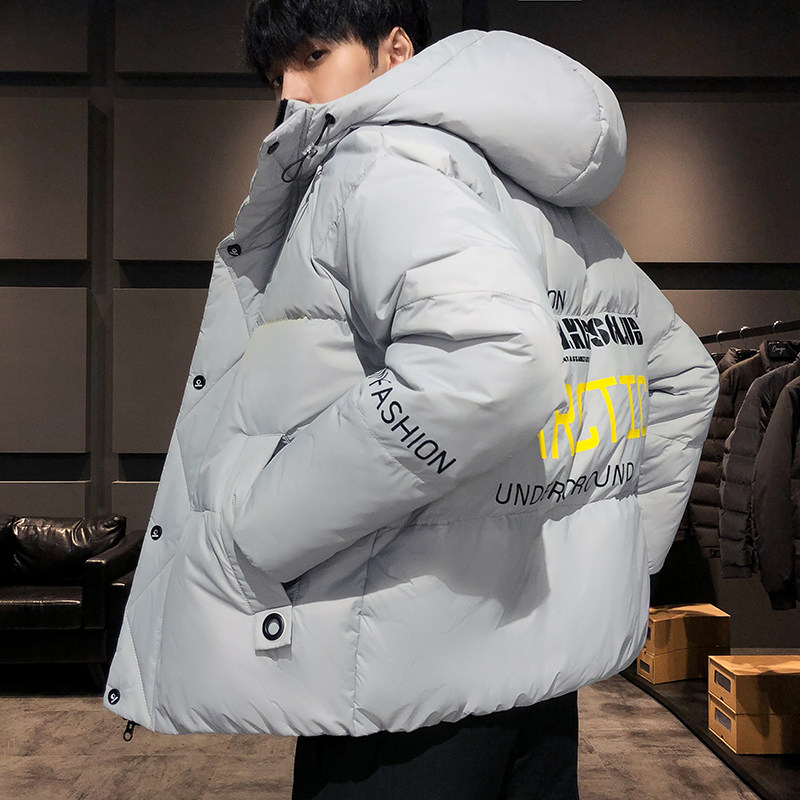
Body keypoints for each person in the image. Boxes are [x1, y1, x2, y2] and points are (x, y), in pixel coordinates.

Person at [103, 1, 720, 798]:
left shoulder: (380, 164)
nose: (290, 92)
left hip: (401, 689)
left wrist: (267, 528)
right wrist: (609, 556)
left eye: (313, 56)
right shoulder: (547, 205)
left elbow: (492, 364)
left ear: (396, 50)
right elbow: (683, 374)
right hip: (539, 686)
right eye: (275, 73)